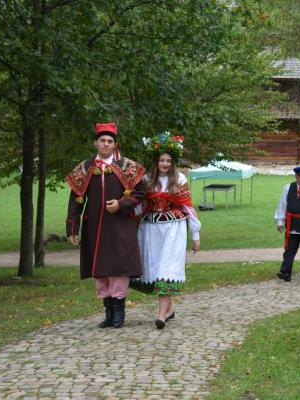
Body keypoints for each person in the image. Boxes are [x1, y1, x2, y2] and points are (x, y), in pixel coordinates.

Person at [66, 122, 146, 329]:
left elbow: (140, 193)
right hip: (94, 227)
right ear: (95, 143)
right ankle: (109, 312)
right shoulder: (84, 169)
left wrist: (121, 204)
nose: (106, 144)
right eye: (102, 140)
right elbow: (76, 199)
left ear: (114, 144)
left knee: (118, 269)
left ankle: (119, 313)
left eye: (110, 141)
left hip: (120, 226)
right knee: (100, 269)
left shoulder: (127, 167)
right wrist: (72, 228)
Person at [130, 132, 201, 329]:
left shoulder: (179, 179)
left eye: (168, 160)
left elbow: (188, 207)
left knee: (166, 269)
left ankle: (161, 315)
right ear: (156, 161)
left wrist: (196, 235)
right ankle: (169, 310)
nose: (165, 163)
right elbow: (139, 206)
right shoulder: (146, 179)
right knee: (155, 268)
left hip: (173, 229)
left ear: (173, 162)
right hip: (151, 229)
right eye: (161, 160)